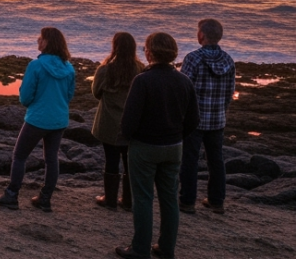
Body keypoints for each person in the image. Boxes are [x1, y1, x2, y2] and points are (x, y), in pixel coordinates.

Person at [116, 33, 199, 259]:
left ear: (150, 52)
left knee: (143, 198)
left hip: (145, 146)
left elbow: (129, 120)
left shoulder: (143, 80)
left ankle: (140, 248)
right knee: (169, 198)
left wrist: (128, 136)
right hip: (174, 146)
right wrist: (177, 135)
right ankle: (166, 248)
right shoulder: (184, 81)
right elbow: (194, 120)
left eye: (145, 48)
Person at [0, 27, 76, 212]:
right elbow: (69, 95)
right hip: (59, 120)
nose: (38, 40)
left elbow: (25, 97)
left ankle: (12, 195)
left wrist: (31, 100)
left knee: (20, 156)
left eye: (41, 38)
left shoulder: (36, 66)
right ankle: (45, 199)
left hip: (37, 119)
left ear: (47, 42)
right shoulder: (69, 68)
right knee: (52, 159)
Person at [179, 18, 235, 215]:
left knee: (189, 160)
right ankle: (216, 201)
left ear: (201, 35)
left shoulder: (193, 58)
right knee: (216, 160)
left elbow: (184, 90)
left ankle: (187, 201)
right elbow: (230, 92)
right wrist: (223, 111)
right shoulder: (228, 60)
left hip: (194, 119)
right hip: (217, 118)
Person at [93, 32, 143, 210]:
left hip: (109, 123)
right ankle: (128, 201)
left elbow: (96, 93)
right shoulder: (140, 69)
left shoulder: (105, 70)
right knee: (130, 161)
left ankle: (110, 199)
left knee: (111, 159)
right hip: (132, 123)